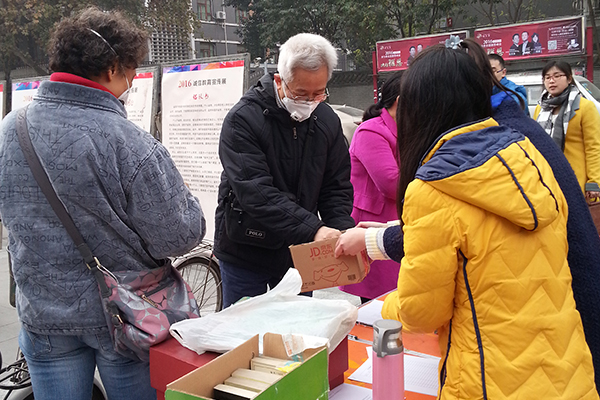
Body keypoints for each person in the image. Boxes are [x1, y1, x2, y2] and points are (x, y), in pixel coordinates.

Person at [338, 43, 599, 399]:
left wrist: (383, 306)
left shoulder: (435, 185)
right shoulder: (527, 157)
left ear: (420, 107)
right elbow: (482, 230)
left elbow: (420, 312)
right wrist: (390, 235)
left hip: (490, 379)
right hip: (566, 371)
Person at [0, 7, 206, 400]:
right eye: (132, 70)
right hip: (125, 315)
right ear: (112, 68)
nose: (133, 80)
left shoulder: (12, 128)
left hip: (42, 311)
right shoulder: (131, 142)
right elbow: (180, 236)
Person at [214, 33, 354, 308]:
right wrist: (314, 229)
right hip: (245, 250)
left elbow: (336, 186)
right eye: (301, 93)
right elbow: (256, 193)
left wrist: (340, 232)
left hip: (298, 253)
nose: (310, 101)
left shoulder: (326, 119)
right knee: (244, 330)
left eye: (319, 93)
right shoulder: (243, 119)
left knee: (296, 329)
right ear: (279, 80)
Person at [339, 73, 402, 303]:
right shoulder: (371, 131)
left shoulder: (408, 129)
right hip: (375, 224)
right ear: (399, 101)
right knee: (378, 308)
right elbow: (391, 184)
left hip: (396, 222)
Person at [534, 61, 600, 197]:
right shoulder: (540, 109)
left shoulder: (585, 107)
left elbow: (593, 147)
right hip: (547, 178)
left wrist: (594, 181)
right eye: (547, 77)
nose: (551, 81)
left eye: (557, 76)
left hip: (575, 178)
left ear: (569, 79)